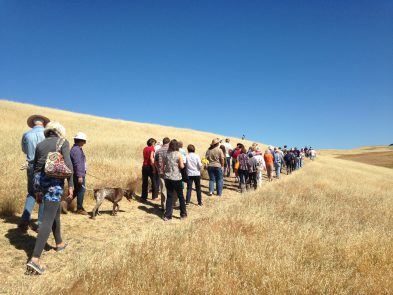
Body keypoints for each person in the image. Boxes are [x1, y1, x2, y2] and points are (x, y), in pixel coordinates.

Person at [26, 121, 73, 275]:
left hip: (40, 181)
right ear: (59, 131)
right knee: (47, 219)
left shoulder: (40, 145)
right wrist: (70, 185)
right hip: (54, 183)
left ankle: (59, 242)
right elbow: (69, 167)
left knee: (55, 213)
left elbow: (36, 168)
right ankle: (35, 259)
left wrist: (38, 191)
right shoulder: (62, 142)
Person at [19, 114, 50, 231]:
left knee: (31, 192)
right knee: (43, 192)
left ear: (33, 123)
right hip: (43, 166)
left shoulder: (26, 134)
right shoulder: (47, 134)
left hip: (31, 165)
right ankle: (40, 222)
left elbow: (24, 150)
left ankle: (25, 219)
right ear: (43, 123)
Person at [163, 139, 187, 221]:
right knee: (180, 196)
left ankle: (168, 215)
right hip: (177, 178)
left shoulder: (166, 154)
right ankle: (183, 214)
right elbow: (182, 166)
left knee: (169, 196)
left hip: (168, 177)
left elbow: (164, 165)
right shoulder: (179, 154)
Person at [69, 132, 88, 215]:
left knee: (76, 190)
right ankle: (79, 209)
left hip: (77, 173)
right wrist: (80, 175)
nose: (85, 143)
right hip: (78, 174)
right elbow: (78, 164)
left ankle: (64, 204)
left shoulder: (76, 149)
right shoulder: (76, 150)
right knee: (81, 190)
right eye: (84, 141)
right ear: (80, 141)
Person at [155, 137, 170, 210]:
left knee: (163, 189)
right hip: (170, 172)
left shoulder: (158, 151)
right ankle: (170, 205)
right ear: (169, 142)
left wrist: (158, 168)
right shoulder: (171, 150)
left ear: (163, 143)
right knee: (170, 189)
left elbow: (155, 161)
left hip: (161, 172)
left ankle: (163, 206)